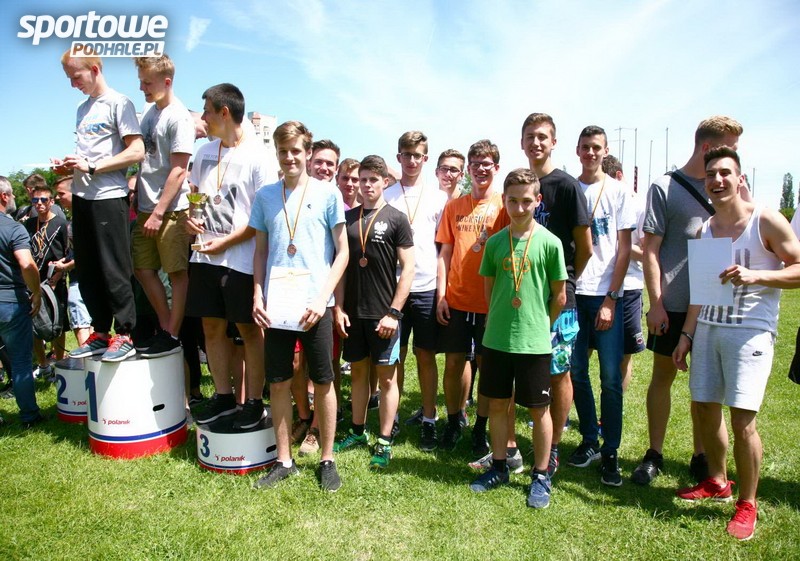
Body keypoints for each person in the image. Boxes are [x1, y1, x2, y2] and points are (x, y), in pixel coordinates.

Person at [672, 145, 800, 541]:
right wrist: (686, 335)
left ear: (739, 178)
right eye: (711, 174)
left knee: (743, 421)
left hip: (750, 332)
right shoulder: (706, 228)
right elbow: (702, 288)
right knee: (704, 407)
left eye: (725, 173)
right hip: (708, 328)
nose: (717, 180)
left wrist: (756, 276)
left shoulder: (766, 220)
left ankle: (748, 502)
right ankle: (717, 481)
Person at [632, 116, 743, 486]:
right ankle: (654, 453)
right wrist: (657, 302)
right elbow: (650, 250)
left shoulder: (730, 187)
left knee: (706, 386)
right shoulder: (664, 187)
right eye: (730, 147)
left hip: (716, 305)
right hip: (675, 304)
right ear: (708, 147)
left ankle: (701, 455)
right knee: (662, 377)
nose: (733, 157)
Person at [250, 121, 348, 491]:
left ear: (307, 153)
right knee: (278, 382)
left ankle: (327, 458)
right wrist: (257, 294)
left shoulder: (328, 194)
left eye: (296, 151)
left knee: (323, 381)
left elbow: (343, 252)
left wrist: (323, 298)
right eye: (283, 151)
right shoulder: (265, 196)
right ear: (276, 153)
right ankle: (283, 460)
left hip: (315, 305)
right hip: (277, 305)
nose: (289, 157)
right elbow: (261, 252)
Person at [468, 168, 566, 509]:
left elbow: (560, 297)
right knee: (497, 404)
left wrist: (539, 325)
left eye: (526, 201)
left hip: (534, 342)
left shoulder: (550, 243)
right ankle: (498, 467)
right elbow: (489, 291)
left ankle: (541, 475)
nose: (519, 208)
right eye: (512, 201)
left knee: (539, 410)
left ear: (537, 201)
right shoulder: (495, 243)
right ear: (504, 201)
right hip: (496, 339)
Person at [186, 83, 270, 431]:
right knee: (211, 326)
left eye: (207, 111)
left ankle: (254, 401)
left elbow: (262, 218)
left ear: (224, 113)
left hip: (241, 260)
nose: (203, 118)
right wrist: (189, 220)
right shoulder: (204, 152)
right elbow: (194, 197)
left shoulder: (259, 157)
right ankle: (223, 397)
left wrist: (226, 243)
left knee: (249, 330)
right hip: (204, 257)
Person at [52, 51, 143, 362]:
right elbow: (88, 155)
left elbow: (136, 151)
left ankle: (126, 333)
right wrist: (70, 166)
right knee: (88, 268)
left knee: (113, 268)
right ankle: (101, 332)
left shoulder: (120, 102)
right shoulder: (82, 109)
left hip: (109, 196)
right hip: (82, 196)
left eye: (76, 77)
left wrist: (92, 166)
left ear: (94, 69)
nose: (73, 84)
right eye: (69, 78)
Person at [522, 112, 592, 477]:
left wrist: (564, 282)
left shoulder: (566, 186)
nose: (536, 142)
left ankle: (554, 446)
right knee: (528, 368)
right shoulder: (520, 185)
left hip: (558, 298)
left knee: (559, 371)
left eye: (542, 136)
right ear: (522, 142)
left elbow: (585, 246)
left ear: (553, 142)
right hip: (523, 295)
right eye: (530, 136)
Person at [334, 155, 414, 467]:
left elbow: (408, 269)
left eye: (372, 180)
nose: (366, 185)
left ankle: (384, 440)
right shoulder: (347, 219)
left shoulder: (397, 218)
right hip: (353, 313)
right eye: (361, 179)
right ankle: (357, 431)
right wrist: (339, 308)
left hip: (383, 315)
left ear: (385, 182)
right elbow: (341, 268)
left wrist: (394, 313)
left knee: (387, 380)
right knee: (357, 374)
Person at [568, 125, 634, 487]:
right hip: (574, 293)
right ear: (577, 150)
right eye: (585, 147)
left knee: (610, 377)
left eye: (596, 147)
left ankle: (611, 450)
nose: (590, 153)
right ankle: (590, 440)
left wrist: (612, 296)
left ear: (605, 151)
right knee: (576, 370)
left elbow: (624, 249)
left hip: (606, 294)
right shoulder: (570, 188)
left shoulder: (619, 191)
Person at [436, 139, 509, 454]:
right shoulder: (454, 206)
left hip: (490, 304)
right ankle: (454, 421)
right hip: (456, 300)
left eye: (486, 164)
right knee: (454, 363)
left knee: (486, 366)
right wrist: (441, 295)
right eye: (475, 164)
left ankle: (480, 427)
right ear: (468, 169)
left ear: (496, 168)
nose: (481, 169)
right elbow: (445, 252)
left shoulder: (504, 207)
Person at [384, 131, 447, 451]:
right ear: (398, 157)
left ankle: (429, 420)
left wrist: (442, 291)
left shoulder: (438, 197)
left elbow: (443, 248)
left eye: (417, 155)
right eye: (406, 155)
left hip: (425, 286)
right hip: (392, 288)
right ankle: (391, 417)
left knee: (425, 355)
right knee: (394, 357)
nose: (411, 161)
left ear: (425, 158)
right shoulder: (386, 195)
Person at [132, 54, 195, 358]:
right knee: (142, 268)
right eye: (141, 81)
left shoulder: (178, 117)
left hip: (170, 210)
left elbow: (179, 170)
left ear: (166, 82)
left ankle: (171, 333)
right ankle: (166, 325)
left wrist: (158, 211)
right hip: (145, 208)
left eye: (147, 82)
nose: (142, 87)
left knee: (176, 272)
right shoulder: (149, 112)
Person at [0, 176, 44, 428]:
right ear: (4, 196)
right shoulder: (13, 228)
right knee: (20, 361)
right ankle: (29, 415)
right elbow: (27, 263)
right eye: (12, 194)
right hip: (10, 301)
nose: (15, 198)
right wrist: (36, 291)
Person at [601, 155, 645, 391]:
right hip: (599, 286)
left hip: (629, 287)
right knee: (584, 350)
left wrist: (622, 245)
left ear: (618, 177)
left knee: (624, 354)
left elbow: (647, 253)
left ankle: (614, 406)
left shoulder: (639, 206)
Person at [24, 184, 69, 377]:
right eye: (35, 200)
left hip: (55, 282)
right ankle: (43, 365)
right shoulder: (28, 224)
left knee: (58, 323)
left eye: (43, 200)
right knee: (34, 323)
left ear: (51, 201)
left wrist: (58, 277)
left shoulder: (61, 224)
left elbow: (68, 253)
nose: (39, 204)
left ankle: (59, 364)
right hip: (33, 282)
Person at [52, 175, 92, 347]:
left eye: (61, 193)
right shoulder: (78, 216)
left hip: (82, 279)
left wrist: (66, 266)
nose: (57, 198)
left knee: (81, 322)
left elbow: (89, 252)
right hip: (82, 278)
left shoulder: (83, 218)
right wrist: (65, 260)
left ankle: (87, 360)